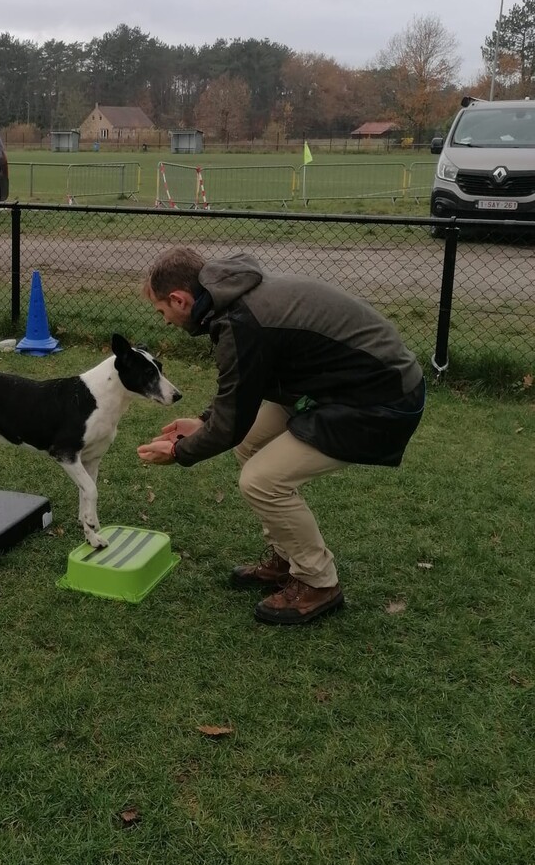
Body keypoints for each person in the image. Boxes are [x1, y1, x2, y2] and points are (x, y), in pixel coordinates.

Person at [137, 246, 425, 625]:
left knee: (261, 481)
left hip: (379, 399)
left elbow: (229, 424)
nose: (165, 321)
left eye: (162, 312)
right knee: (250, 443)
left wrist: (180, 452)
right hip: (337, 385)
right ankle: (289, 558)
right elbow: (243, 387)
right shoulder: (232, 298)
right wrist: (204, 420)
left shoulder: (241, 319)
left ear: (180, 299)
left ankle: (318, 582)